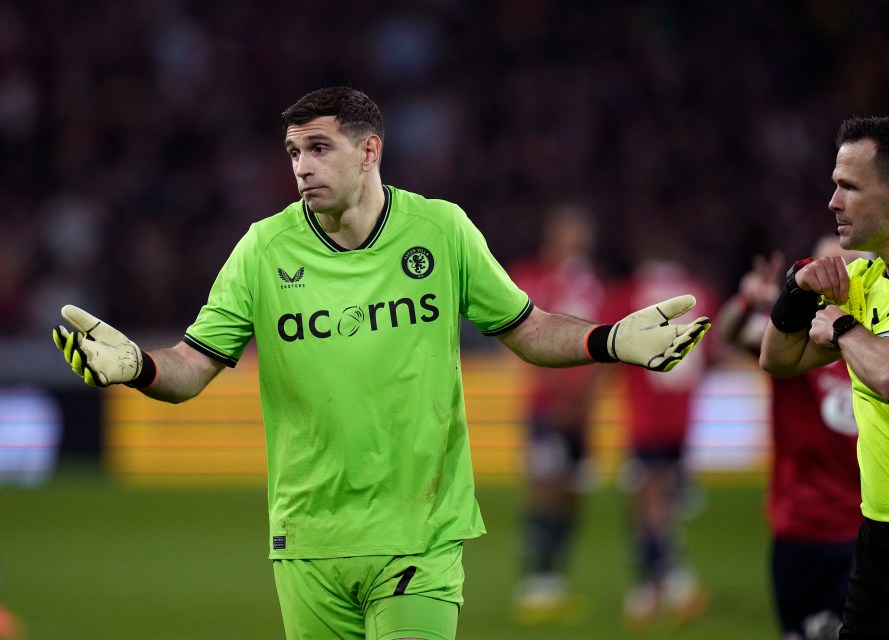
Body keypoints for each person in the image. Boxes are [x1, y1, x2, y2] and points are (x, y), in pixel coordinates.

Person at [51, 87, 710, 640]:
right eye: (293, 152)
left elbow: (528, 327)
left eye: (318, 148)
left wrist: (607, 341)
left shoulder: (441, 230)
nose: (301, 167)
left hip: (416, 534)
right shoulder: (261, 250)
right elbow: (193, 365)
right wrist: (138, 367)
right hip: (307, 542)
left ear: (370, 152)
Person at [759, 116, 889, 638]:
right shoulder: (866, 280)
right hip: (878, 541)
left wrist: (842, 325)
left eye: (849, 186)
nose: (833, 201)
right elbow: (777, 360)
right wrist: (797, 292)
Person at [717, 235, 864, 640]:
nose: (834, 275)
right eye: (824, 266)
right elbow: (729, 335)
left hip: (868, 527)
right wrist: (748, 301)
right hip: (800, 527)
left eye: (844, 265)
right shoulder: (793, 341)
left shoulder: (882, 341)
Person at [507, 205, 609, 624]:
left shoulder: (592, 285)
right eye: (571, 234)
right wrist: (555, 394)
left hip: (581, 414)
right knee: (544, 488)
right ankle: (535, 580)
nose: (579, 242)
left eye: (582, 235)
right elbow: (524, 338)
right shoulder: (531, 277)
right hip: (546, 411)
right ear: (554, 236)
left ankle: (555, 582)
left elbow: (605, 344)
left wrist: (586, 401)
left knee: (572, 494)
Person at [614, 255, 718, 627]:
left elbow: (610, 346)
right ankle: (655, 585)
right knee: (660, 503)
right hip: (683, 417)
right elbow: (714, 351)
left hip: (647, 417)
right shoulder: (699, 291)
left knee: (648, 502)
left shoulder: (630, 293)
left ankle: (669, 581)